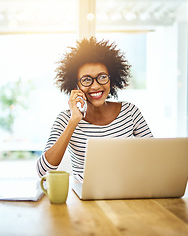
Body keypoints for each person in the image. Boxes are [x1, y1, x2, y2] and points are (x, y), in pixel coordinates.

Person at [36, 37, 153, 179]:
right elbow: (43, 170)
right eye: (86, 79)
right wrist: (74, 121)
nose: (96, 86)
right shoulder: (65, 119)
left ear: (112, 79)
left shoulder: (130, 112)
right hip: (83, 198)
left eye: (102, 77)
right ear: (76, 85)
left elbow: (153, 158)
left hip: (126, 192)